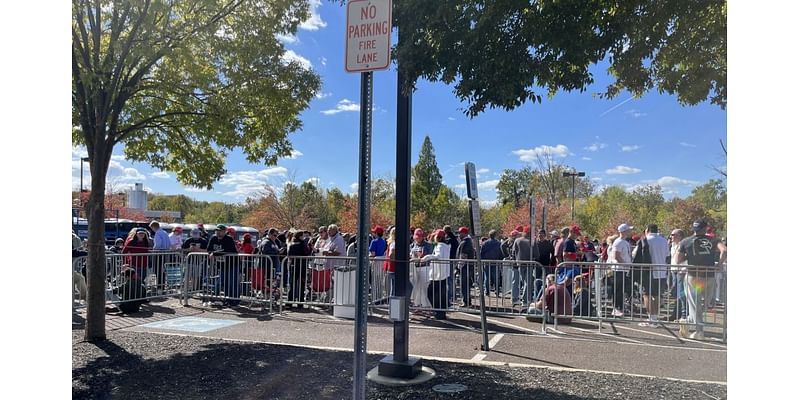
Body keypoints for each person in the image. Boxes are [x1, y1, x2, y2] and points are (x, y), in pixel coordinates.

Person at [674, 219, 727, 339]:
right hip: (709, 277)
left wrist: (690, 255)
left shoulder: (686, 241)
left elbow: (677, 260)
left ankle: (689, 322)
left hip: (694, 277)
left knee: (695, 305)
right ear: (705, 228)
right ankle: (698, 329)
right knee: (704, 305)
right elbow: (724, 251)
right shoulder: (714, 240)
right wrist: (719, 265)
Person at [633, 224, 670, 327]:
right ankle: (654, 318)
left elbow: (635, 254)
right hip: (662, 271)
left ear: (647, 230)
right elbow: (667, 255)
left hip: (649, 272)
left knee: (647, 295)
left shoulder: (645, 240)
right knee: (657, 295)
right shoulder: (663, 240)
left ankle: (651, 318)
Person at [207, 224, 241, 306]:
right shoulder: (213, 238)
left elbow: (227, 250)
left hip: (232, 264)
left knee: (233, 283)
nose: (218, 232)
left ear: (224, 232)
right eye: (217, 231)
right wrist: (212, 253)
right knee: (224, 283)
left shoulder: (228, 239)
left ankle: (235, 300)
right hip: (221, 265)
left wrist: (215, 253)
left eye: (220, 231)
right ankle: (227, 299)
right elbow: (209, 249)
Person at [422, 229, 451, 319]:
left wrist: (427, 257)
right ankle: (441, 313)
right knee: (440, 294)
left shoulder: (440, 246)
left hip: (437, 275)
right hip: (443, 274)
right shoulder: (445, 246)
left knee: (430, 293)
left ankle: (438, 311)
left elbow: (438, 257)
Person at [609, 224, 635, 317]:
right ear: (623, 231)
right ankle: (616, 308)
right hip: (618, 269)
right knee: (617, 289)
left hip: (623, 270)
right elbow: (616, 255)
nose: (630, 232)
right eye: (628, 230)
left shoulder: (625, 242)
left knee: (621, 289)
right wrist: (625, 264)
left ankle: (619, 307)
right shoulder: (618, 242)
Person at [512, 226, 536, 307]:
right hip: (529, 264)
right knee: (527, 282)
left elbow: (513, 252)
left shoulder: (517, 240)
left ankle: (525, 299)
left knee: (524, 282)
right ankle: (525, 300)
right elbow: (537, 254)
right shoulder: (532, 241)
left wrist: (515, 260)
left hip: (519, 264)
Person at [409, 228, 433, 308]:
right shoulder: (413, 245)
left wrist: (420, 257)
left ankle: (426, 305)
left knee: (424, 287)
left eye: (419, 237)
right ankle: (417, 304)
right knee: (416, 287)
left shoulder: (428, 245)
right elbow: (410, 254)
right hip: (415, 268)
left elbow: (428, 256)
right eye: (416, 237)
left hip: (425, 268)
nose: (418, 239)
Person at [286, 230, 310, 307]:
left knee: (292, 284)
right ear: (300, 236)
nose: (304, 237)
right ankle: (300, 302)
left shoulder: (292, 245)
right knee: (301, 284)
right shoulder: (303, 245)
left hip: (294, 266)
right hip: (301, 266)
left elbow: (289, 255)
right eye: (303, 236)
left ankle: (289, 302)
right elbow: (307, 253)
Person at [456, 226, 476, 307]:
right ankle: (467, 301)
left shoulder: (465, 243)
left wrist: (458, 267)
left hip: (465, 267)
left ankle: (466, 301)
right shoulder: (469, 242)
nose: (458, 234)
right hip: (468, 266)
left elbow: (463, 256)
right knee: (467, 285)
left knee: (464, 285)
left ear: (463, 233)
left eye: (460, 233)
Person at [480, 230, 504, 297]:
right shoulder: (498, 243)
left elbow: (481, 253)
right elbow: (501, 253)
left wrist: (482, 260)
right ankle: (497, 292)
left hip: (487, 262)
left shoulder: (485, 243)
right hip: (496, 262)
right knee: (496, 278)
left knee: (487, 278)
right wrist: (500, 260)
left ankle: (487, 292)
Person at [149, 221, 171, 289]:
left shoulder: (158, 233)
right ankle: (162, 285)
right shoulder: (165, 232)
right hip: (165, 253)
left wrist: (153, 250)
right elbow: (169, 243)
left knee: (157, 270)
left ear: (153, 227)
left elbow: (158, 244)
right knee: (162, 270)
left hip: (159, 254)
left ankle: (159, 286)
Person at [384, 227, 397, 296]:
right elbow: (391, 254)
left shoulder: (391, 242)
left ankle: (392, 302)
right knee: (394, 288)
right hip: (393, 267)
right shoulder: (394, 243)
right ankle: (393, 303)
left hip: (390, 267)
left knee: (394, 287)